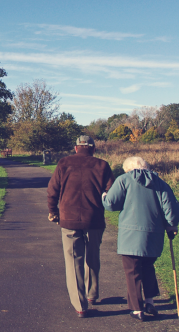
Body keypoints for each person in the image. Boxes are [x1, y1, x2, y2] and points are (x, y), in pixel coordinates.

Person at [102, 156, 179, 322]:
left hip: (130, 235)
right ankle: (150, 301)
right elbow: (170, 208)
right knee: (148, 266)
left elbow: (110, 204)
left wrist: (104, 196)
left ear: (127, 169)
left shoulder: (124, 180)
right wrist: (172, 225)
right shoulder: (160, 183)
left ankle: (137, 309)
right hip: (154, 235)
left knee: (133, 271)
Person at [47, 135, 114, 318]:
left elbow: (52, 189)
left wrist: (53, 211)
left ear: (76, 148)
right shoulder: (102, 165)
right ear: (93, 148)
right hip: (94, 219)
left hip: (69, 219)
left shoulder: (63, 163)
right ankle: (92, 294)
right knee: (93, 257)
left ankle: (80, 305)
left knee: (73, 261)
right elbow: (111, 192)